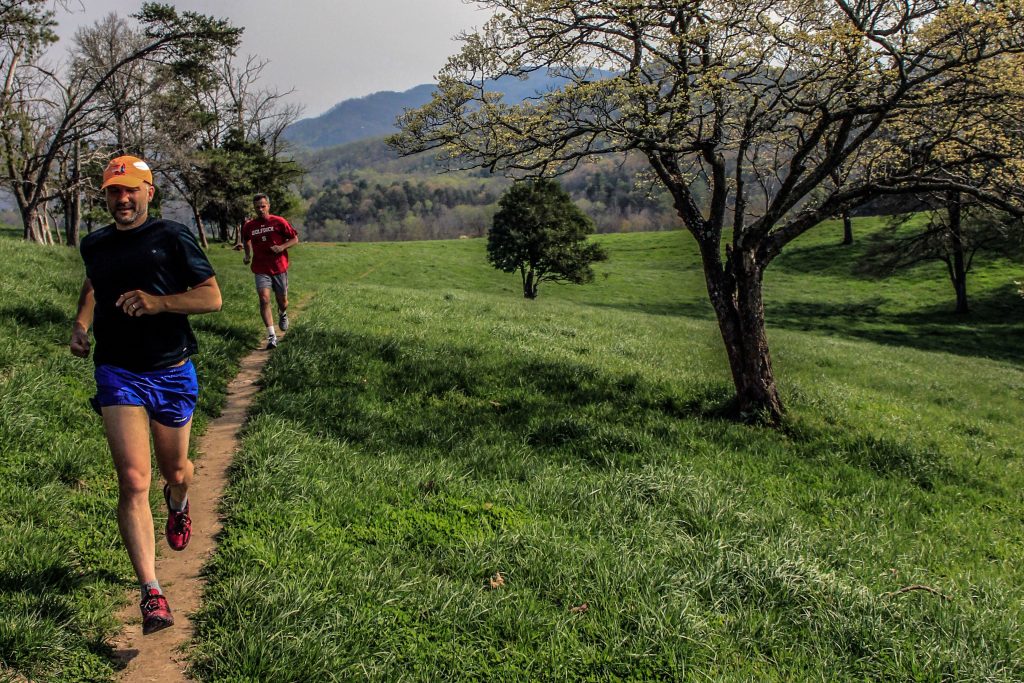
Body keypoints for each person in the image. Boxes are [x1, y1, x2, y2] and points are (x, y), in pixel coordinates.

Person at [69, 155, 222, 635]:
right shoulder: (94, 244)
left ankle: (178, 501)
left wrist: (159, 303)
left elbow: (211, 296)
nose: (123, 199)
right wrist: (80, 324)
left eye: (132, 190)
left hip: (172, 372)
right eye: (115, 191)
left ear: (149, 192)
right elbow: (95, 284)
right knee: (133, 480)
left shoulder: (172, 237)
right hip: (118, 373)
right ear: (106, 196)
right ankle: (152, 592)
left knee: (176, 470)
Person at [241, 194, 298, 349]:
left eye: (263, 206)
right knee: (264, 299)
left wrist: (281, 247)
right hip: (260, 268)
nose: (260, 209)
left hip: (279, 267)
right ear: (254, 208)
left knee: (283, 302)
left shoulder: (279, 222)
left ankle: (282, 313)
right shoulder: (249, 226)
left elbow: (294, 239)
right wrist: (247, 255)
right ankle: (272, 336)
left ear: (268, 206)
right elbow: (245, 239)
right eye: (257, 207)